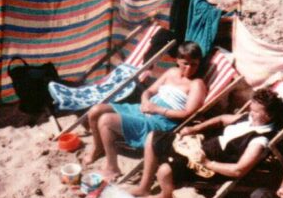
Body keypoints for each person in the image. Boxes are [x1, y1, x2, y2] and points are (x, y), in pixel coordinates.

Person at [132, 88, 283, 198]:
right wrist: (194, 129)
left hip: (210, 165)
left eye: (255, 112)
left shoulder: (259, 140)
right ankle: (144, 187)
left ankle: (165, 197)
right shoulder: (248, 119)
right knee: (154, 137)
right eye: (250, 109)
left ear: (268, 116)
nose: (250, 113)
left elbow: (238, 170)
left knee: (164, 171)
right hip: (200, 146)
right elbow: (221, 119)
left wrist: (207, 163)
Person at [82, 42, 207, 179]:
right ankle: (98, 147)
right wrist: (145, 101)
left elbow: (187, 114)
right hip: (145, 110)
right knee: (95, 110)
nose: (189, 68)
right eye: (185, 63)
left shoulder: (197, 84)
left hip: (161, 122)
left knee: (106, 120)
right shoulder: (171, 72)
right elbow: (149, 90)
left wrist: (157, 109)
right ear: (177, 60)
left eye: (194, 64)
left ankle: (112, 168)